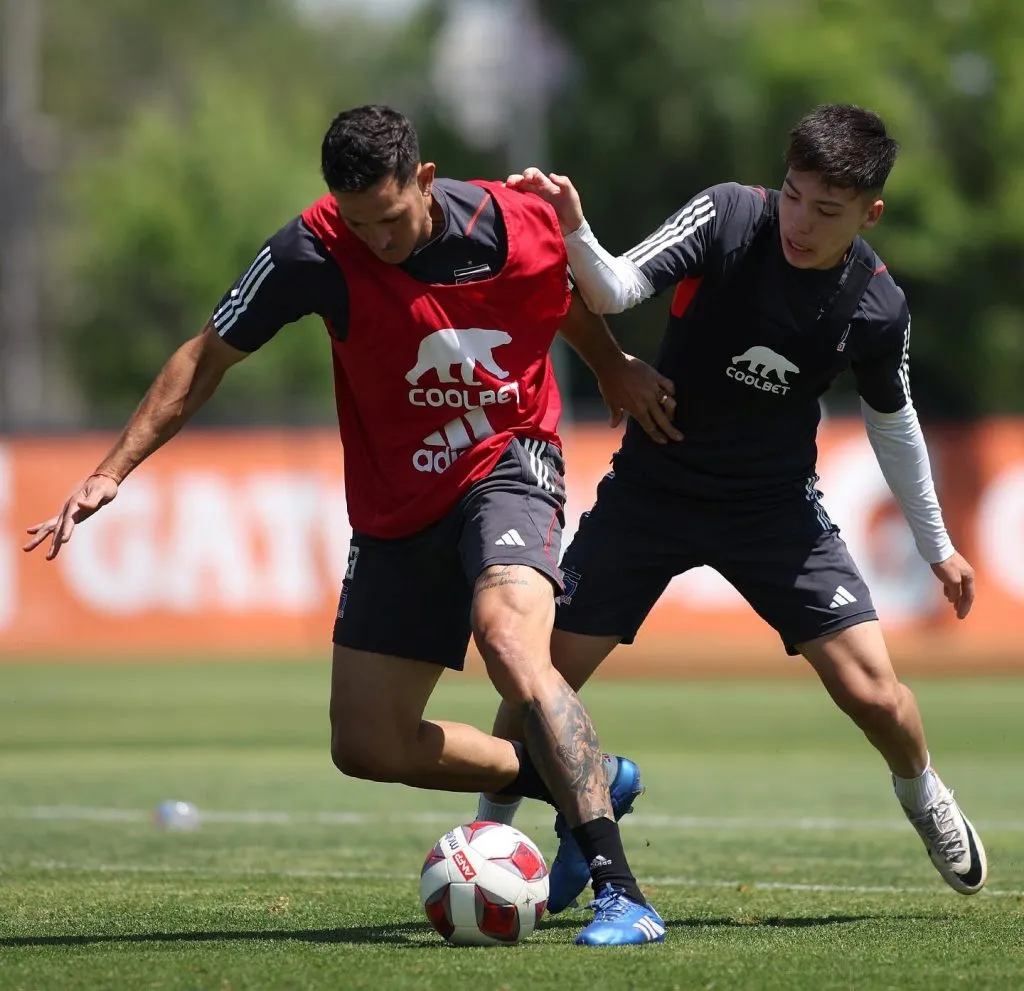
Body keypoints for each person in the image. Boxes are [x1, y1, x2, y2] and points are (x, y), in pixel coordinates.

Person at [23, 105, 671, 945]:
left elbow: (558, 296)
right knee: (368, 744)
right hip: (396, 504)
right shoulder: (311, 251)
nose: (378, 240)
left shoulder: (514, 222)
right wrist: (112, 469)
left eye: (391, 218)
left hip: (510, 461)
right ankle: (587, 777)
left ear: (424, 180)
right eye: (359, 222)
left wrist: (612, 364)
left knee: (509, 642)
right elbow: (206, 355)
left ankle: (622, 891)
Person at [482, 104, 987, 911]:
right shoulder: (729, 215)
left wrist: (938, 546)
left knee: (874, 693)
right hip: (652, 492)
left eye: (827, 210)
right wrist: (574, 226)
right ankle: (489, 843)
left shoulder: (876, 305)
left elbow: (892, 422)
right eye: (794, 195)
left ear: (869, 214)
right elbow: (613, 289)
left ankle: (923, 793)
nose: (800, 222)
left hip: (773, 511)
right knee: (535, 683)